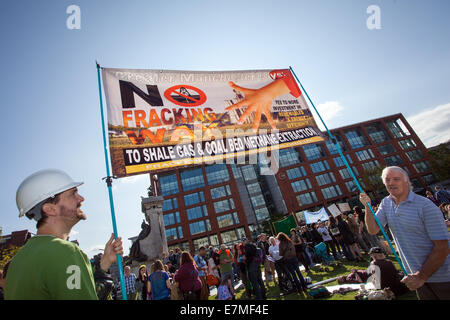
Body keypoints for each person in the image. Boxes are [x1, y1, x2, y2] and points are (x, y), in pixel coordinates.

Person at [6, 169, 123, 300]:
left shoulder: (17, 260)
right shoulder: (66, 251)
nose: (81, 198)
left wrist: (104, 262)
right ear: (50, 209)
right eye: (73, 194)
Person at [360, 166, 450, 300]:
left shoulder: (425, 206)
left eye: (396, 179)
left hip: (442, 277)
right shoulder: (386, 203)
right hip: (415, 278)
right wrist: (367, 207)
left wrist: (421, 276)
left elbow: (443, 247)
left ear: (406, 181)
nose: (391, 183)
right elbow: (373, 229)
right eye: (387, 180)